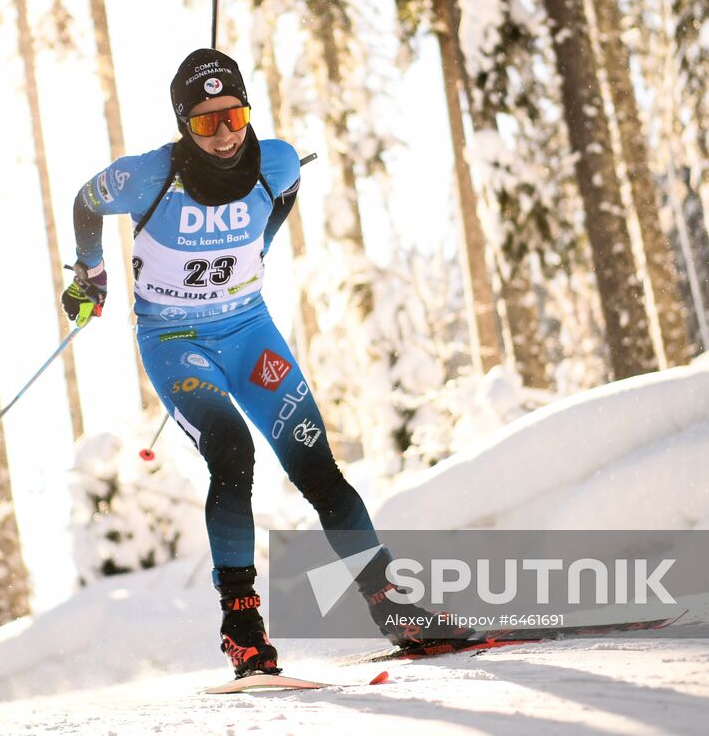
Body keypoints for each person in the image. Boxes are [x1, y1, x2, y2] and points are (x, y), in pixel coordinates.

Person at [63, 49, 446, 678]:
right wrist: (92, 272)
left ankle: (394, 607)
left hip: (250, 333)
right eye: (206, 122)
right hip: (176, 339)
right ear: (184, 124)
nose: (224, 134)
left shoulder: (277, 161)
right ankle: (242, 627)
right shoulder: (145, 176)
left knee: (317, 466)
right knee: (232, 448)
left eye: (234, 115)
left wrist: (258, 248)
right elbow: (85, 202)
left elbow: (287, 191)